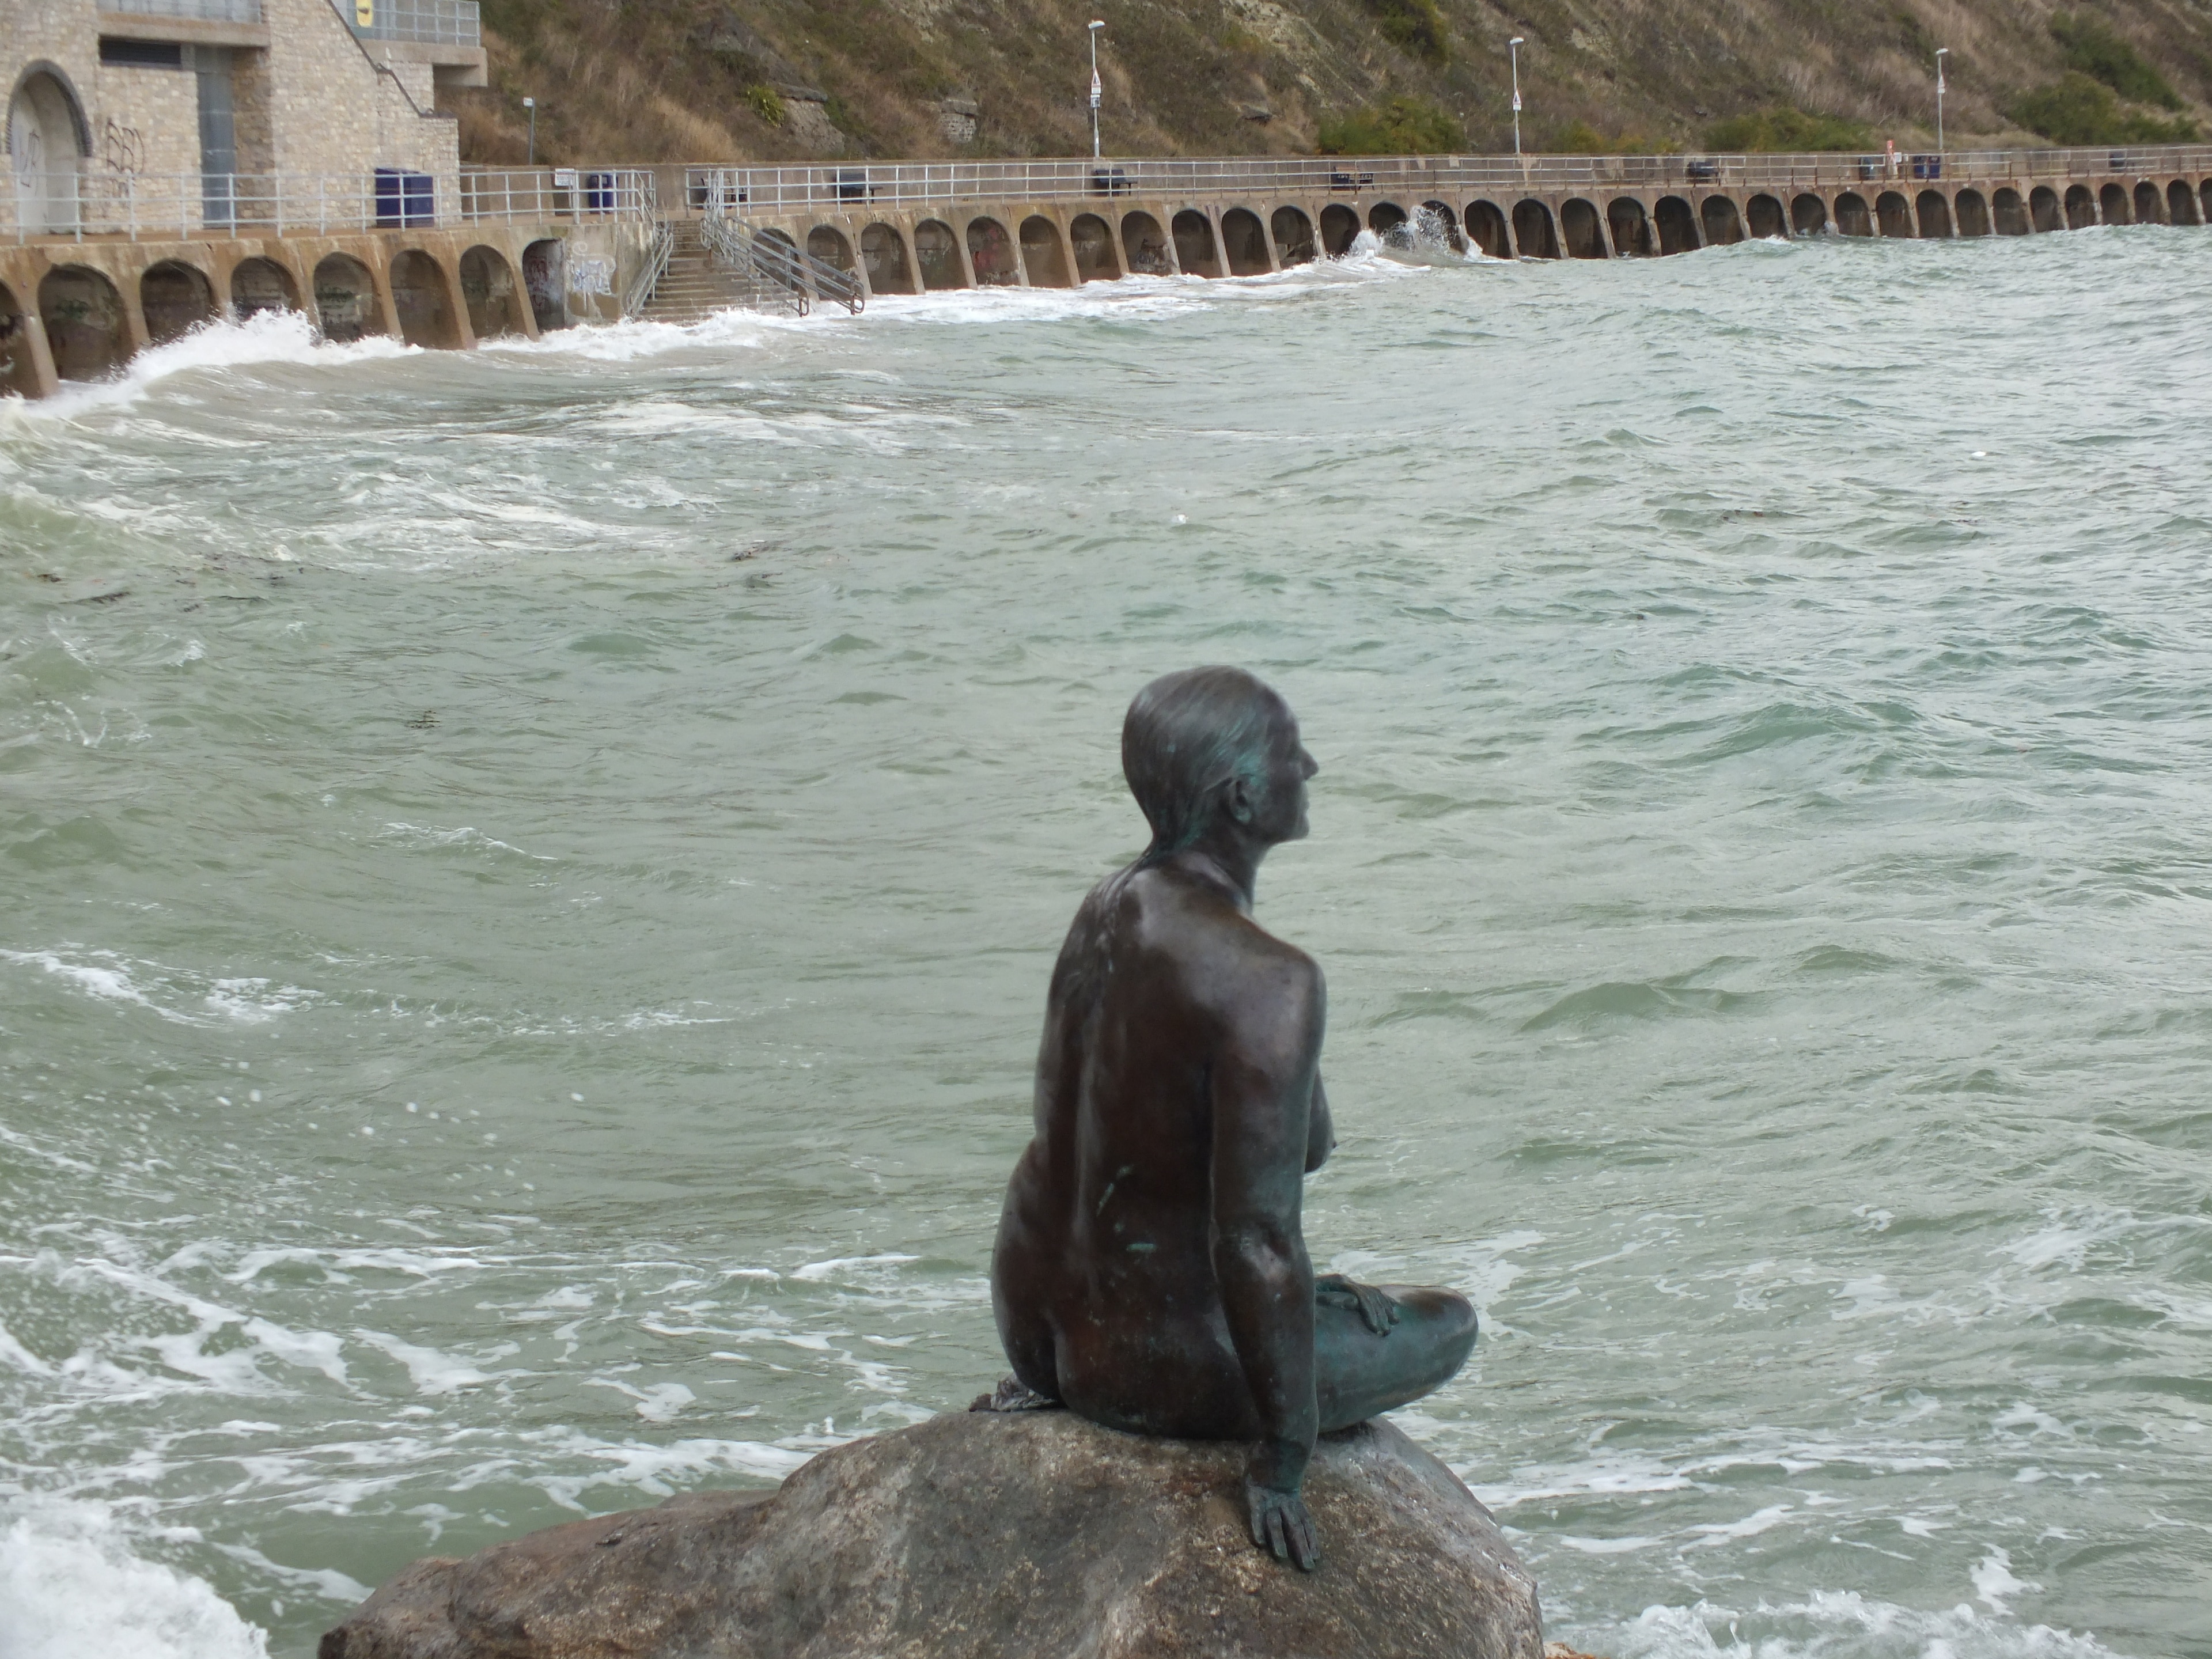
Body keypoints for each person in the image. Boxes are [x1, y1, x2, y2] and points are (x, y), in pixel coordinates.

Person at [990, 666, 1480, 1573]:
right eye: (1295, 757)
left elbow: (1298, 1146)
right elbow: (1256, 1237)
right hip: (1160, 1369)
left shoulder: (1103, 908)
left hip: (1043, 1334)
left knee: (1322, 1298)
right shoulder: (1267, 980)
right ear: (1247, 796)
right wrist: (1285, 1458)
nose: (1316, 768)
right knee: (1450, 1324)